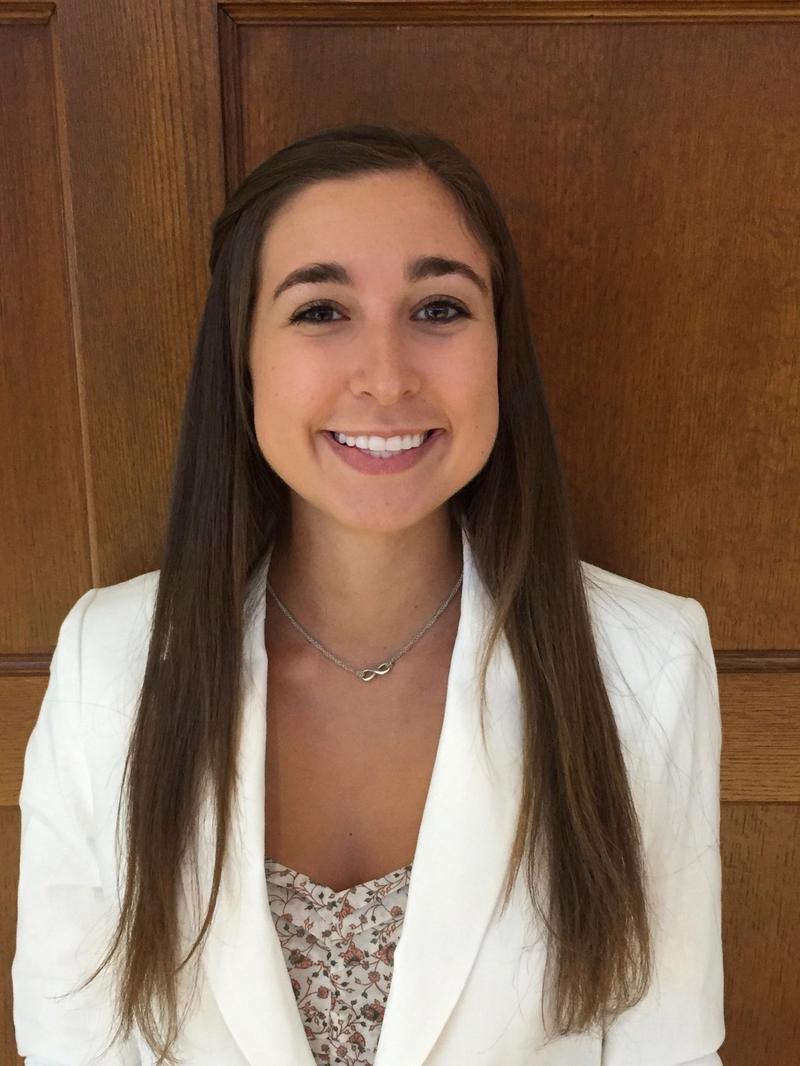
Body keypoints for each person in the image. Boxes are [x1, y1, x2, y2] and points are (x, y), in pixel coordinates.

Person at [13, 123, 725, 1065]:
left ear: (499, 353)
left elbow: (664, 1051)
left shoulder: (647, 662)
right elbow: (73, 1046)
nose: (386, 378)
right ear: (243, 359)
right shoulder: (109, 661)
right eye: (319, 312)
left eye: (438, 309)